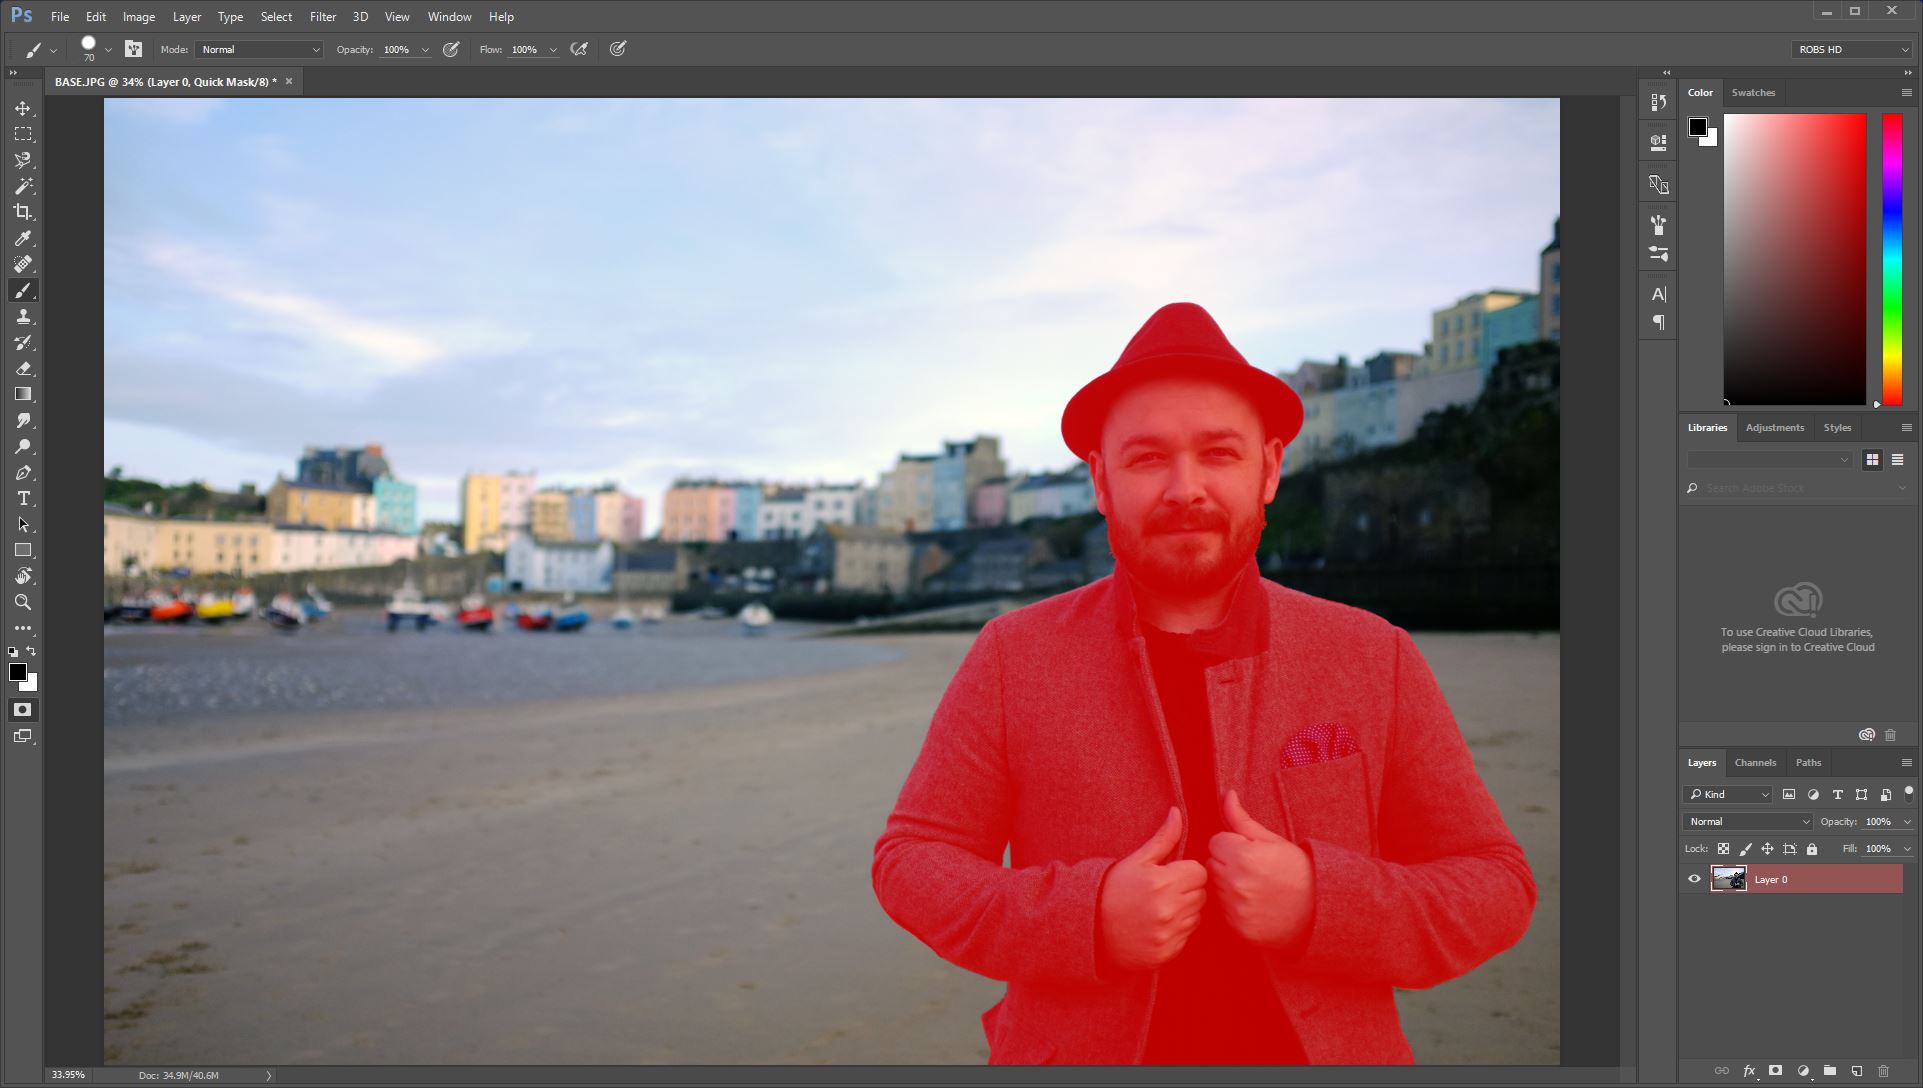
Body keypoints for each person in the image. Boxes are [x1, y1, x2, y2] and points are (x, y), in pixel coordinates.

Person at [870, 302, 1536, 1064]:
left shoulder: (1369, 654)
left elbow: (1494, 885)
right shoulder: (1011, 656)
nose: (1184, 487)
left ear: (1270, 467)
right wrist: (1083, 919)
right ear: (1099, 480)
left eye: (1218, 453)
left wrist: (1323, 903)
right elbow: (914, 860)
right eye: (1147, 458)